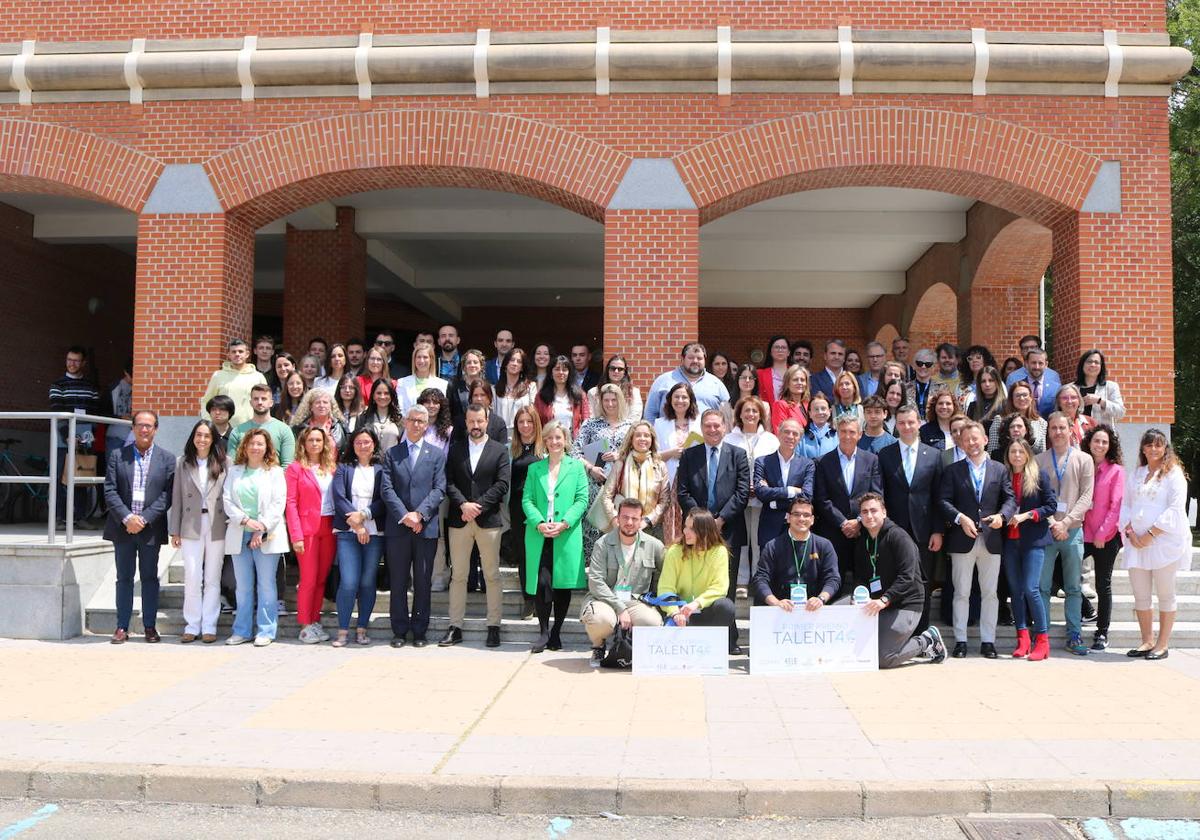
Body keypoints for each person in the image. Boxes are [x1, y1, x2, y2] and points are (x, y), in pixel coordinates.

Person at [938, 420, 1016, 659]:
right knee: (961, 592)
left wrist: (1003, 517)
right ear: (961, 443)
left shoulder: (999, 469)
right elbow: (943, 501)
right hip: (962, 539)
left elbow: (1010, 499)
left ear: (984, 440)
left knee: (990, 593)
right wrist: (961, 518)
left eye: (975, 438)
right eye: (966, 439)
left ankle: (988, 641)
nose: (971, 442)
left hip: (991, 540)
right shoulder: (952, 470)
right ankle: (960, 640)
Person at [676, 409, 751, 647]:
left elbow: (742, 493)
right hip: (694, 531)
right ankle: (698, 635)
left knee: (725, 587)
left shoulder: (738, 455)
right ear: (702, 428)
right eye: (707, 426)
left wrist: (720, 520)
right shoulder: (690, 455)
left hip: (728, 530)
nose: (712, 430)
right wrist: (702, 522)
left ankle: (729, 639)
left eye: (717, 426)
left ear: (725, 427)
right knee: (696, 584)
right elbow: (683, 491)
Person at [440, 403, 512, 648]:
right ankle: (455, 626)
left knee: (492, 575)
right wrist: (463, 505)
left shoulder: (499, 450)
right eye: (471, 422)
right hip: (459, 520)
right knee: (458, 576)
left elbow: (502, 484)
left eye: (479, 421)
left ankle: (494, 626)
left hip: (488, 520)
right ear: (466, 423)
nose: (475, 426)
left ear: (487, 419)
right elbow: (448, 482)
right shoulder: (456, 449)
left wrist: (477, 506)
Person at [103, 410, 175, 644]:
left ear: (156, 429)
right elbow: (110, 490)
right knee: (124, 577)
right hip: (122, 527)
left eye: (149, 426)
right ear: (132, 428)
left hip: (150, 528)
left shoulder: (167, 459)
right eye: (140, 425)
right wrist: (127, 518)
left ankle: (150, 627)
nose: (144, 429)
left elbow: (167, 495)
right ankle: (121, 626)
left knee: (149, 578)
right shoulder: (117, 455)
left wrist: (143, 519)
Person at [1119, 429, 1191, 660]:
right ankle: (1147, 640)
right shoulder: (1137, 473)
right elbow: (1126, 505)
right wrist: (1130, 532)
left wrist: (1151, 534)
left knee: (1165, 594)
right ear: (1143, 448)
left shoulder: (1174, 474)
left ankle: (1162, 644)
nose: (1153, 449)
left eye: (1158, 445)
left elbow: (1176, 508)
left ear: (1165, 448)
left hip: (1163, 543)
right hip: (1136, 543)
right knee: (1141, 594)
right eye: (1149, 445)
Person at [854, 493, 947, 668]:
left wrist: (884, 599)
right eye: (864, 512)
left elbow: (907, 576)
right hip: (880, 604)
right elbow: (861, 577)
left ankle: (926, 641)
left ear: (884, 512)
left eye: (873, 510)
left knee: (883, 658)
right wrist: (859, 594)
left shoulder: (898, 536)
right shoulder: (863, 541)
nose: (869, 515)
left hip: (906, 604)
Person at [381, 405, 447, 648]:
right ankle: (399, 631)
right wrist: (405, 516)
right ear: (405, 423)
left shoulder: (437, 454)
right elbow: (386, 489)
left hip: (425, 528)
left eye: (421, 421)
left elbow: (439, 489)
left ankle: (420, 631)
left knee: (422, 581)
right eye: (412, 420)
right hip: (398, 529)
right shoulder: (392, 453)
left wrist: (419, 515)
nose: (416, 425)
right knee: (398, 582)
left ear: (427, 424)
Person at [522, 420, 590, 653]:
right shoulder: (534, 469)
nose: (554, 442)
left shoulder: (576, 467)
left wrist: (564, 523)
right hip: (540, 534)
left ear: (565, 440)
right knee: (542, 584)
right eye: (549, 437)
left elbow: (582, 499)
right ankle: (543, 631)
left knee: (562, 586)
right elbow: (527, 500)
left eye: (558, 437)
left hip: (565, 534)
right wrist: (539, 523)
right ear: (545, 441)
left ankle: (557, 632)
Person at [877, 405, 944, 633]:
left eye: (911, 422)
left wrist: (937, 530)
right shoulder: (885, 455)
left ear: (919, 424)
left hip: (924, 532)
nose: (907, 427)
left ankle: (921, 633)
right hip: (893, 531)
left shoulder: (934, 456)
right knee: (893, 579)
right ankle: (894, 632)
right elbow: (881, 495)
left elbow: (938, 497)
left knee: (922, 583)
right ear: (896, 425)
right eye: (902, 422)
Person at [1034, 412, 1095, 656]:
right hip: (1046, 531)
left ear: (1070, 430)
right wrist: (1052, 522)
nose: (1058, 432)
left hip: (1073, 531)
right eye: (1053, 428)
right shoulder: (1038, 460)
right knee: (1042, 586)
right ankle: (1042, 635)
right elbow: (1035, 495)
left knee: (1073, 587)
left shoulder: (1084, 459)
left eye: (1062, 427)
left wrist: (1066, 522)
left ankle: (1074, 634)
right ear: (1048, 432)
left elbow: (1087, 496)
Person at [580, 497, 666, 667]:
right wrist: (620, 608)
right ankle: (598, 646)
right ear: (617, 518)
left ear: (641, 520)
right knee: (600, 619)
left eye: (634, 518)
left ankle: (633, 647)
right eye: (625, 517)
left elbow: (665, 577)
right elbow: (596, 581)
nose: (629, 522)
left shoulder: (654, 546)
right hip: (604, 599)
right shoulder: (602, 544)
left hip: (635, 601)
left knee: (653, 623)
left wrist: (660, 605)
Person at [222, 428, 289, 647]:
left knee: (267, 585)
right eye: (251, 443)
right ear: (245, 446)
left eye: (260, 444)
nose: (255, 447)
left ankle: (266, 630)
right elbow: (227, 501)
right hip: (240, 531)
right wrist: (245, 521)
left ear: (267, 447)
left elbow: (278, 503)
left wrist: (261, 527)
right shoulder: (234, 472)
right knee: (243, 586)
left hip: (266, 534)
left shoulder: (275, 472)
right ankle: (242, 630)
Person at [168, 420, 227, 644]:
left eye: (206, 436)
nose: (202, 439)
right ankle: (192, 624)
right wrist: (174, 530)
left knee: (212, 577)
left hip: (216, 524)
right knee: (192, 576)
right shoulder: (182, 463)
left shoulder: (224, 463)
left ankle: (209, 625)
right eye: (198, 435)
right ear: (193, 437)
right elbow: (177, 498)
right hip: (190, 525)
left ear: (213, 440)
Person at [813, 413, 883, 595]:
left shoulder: (871, 460)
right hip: (833, 532)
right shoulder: (823, 462)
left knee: (864, 582)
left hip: (864, 531)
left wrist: (859, 521)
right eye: (843, 431)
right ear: (837, 433)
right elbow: (821, 499)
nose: (847, 436)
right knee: (832, 580)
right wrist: (843, 523)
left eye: (852, 432)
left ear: (860, 434)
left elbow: (876, 494)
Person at [1001, 438, 1057, 661]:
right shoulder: (1004, 476)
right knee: (1015, 591)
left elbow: (1051, 505)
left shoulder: (1039, 475)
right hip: (1010, 542)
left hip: (1033, 540)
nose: (1016, 455)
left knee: (1031, 588)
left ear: (1027, 455)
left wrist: (1028, 515)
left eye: (1020, 452)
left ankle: (1042, 640)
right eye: (1013, 452)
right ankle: (1022, 639)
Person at [331, 427, 385, 648]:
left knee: (367, 582)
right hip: (347, 533)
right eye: (358, 442)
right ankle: (343, 630)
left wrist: (364, 516)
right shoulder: (344, 468)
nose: (363, 446)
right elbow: (338, 496)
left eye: (367, 442)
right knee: (349, 581)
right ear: (352, 445)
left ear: (374, 445)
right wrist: (356, 523)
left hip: (375, 533)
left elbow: (384, 499)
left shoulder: (382, 470)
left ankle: (362, 628)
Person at [658, 508, 739, 654]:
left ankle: (711, 648)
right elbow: (665, 587)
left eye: (691, 529)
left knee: (726, 606)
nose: (685, 532)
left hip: (706, 610)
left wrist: (697, 603)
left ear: (705, 531)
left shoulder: (719, 551)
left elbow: (720, 588)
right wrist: (674, 612)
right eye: (685, 526)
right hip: (681, 612)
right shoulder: (675, 551)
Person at [285, 427, 339, 645]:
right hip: (307, 529)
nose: (315, 444)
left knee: (321, 579)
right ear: (303, 443)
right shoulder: (295, 469)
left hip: (329, 527)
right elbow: (290, 503)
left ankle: (315, 619)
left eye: (319, 440)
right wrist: (295, 535)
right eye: (311, 440)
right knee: (308, 578)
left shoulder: (332, 468)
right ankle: (305, 624)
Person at [572, 383, 632, 558]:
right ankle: (592, 568)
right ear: (601, 402)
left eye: (614, 399)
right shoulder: (591, 424)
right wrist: (591, 468)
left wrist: (620, 455)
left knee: (618, 524)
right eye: (606, 400)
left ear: (620, 400)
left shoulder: (630, 426)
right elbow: (575, 452)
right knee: (593, 527)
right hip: (595, 484)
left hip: (621, 485)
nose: (610, 404)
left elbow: (639, 452)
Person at [724, 396, 780, 581]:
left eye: (754, 411)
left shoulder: (771, 440)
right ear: (739, 413)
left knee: (757, 541)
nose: (750, 414)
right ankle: (741, 580)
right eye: (746, 410)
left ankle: (758, 579)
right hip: (736, 498)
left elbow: (775, 468)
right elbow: (725, 469)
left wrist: (762, 486)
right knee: (741, 542)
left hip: (761, 498)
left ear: (761, 415)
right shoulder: (729, 439)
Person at [752, 495, 840, 611]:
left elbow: (833, 578)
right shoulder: (772, 546)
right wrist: (775, 602)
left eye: (806, 515)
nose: (801, 519)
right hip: (781, 609)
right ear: (788, 517)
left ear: (812, 520)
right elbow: (761, 578)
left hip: (814, 609)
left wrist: (820, 599)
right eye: (796, 514)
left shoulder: (824, 545)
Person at [1082, 424, 1124, 651]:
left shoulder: (1116, 471)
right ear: (1089, 442)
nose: (1100, 445)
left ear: (1110, 446)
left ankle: (1101, 632)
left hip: (1106, 537)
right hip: (1083, 533)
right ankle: (1086, 609)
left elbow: (1116, 506)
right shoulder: (1083, 465)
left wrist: (1102, 533)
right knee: (1059, 569)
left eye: (1104, 442)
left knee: (1103, 585)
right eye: (1096, 441)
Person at [49, 345, 101, 528]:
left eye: (76, 360)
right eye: (69, 360)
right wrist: (67, 437)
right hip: (63, 440)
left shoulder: (91, 387)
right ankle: (59, 519)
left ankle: (79, 517)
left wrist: (87, 436)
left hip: (85, 439)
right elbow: (57, 412)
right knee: (60, 479)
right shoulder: (57, 385)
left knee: (81, 478)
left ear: (83, 363)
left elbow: (94, 413)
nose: (72, 364)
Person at [599, 419, 673, 540]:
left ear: (652, 440)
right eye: (638, 435)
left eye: (647, 435)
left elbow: (665, 501)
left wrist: (647, 521)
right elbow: (606, 496)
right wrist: (615, 520)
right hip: (622, 529)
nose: (642, 439)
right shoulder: (620, 464)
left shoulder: (660, 466)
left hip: (651, 530)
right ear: (631, 440)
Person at [752, 417, 815, 545]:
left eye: (795, 434)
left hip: (797, 526)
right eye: (786, 432)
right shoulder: (762, 462)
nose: (790, 436)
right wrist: (791, 491)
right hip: (769, 528)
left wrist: (775, 503)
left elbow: (807, 496)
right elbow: (760, 492)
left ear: (800, 438)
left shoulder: (807, 464)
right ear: (778, 434)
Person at [509, 405, 546, 619]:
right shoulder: (510, 449)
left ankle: (544, 597)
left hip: (541, 509)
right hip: (517, 510)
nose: (525, 426)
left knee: (542, 555)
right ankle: (528, 599)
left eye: (529, 421)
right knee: (524, 556)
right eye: (521, 422)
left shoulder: (544, 449)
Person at [417, 387, 454, 592]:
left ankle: (439, 575)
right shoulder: (414, 427)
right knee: (417, 532)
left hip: (438, 488)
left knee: (437, 533)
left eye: (435, 402)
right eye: (427, 401)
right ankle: (419, 576)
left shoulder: (447, 431)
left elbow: (447, 460)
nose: (431, 406)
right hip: (415, 489)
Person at [643, 343, 730, 424]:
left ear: (704, 360)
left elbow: (727, 415)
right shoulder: (663, 381)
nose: (695, 361)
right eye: (691, 358)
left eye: (699, 358)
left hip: (707, 437)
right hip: (669, 436)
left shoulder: (717, 384)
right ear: (682, 359)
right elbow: (650, 413)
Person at [201, 339, 268, 426]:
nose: (237, 354)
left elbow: (266, 403)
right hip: (224, 429)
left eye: (240, 351)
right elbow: (206, 400)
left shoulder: (258, 377)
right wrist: (208, 422)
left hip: (252, 429)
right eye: (234, 352)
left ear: (247, 354)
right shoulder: (218, 376)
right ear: (229, 354)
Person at [228, 384, 297, 468]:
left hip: (274, 479)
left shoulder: (284, 430)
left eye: (264, 399)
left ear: (271, 403)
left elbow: (287, 465)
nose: (260, 402)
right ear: (251, 402)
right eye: (256, 399)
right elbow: (232, 464)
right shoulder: (238, 431)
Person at [654, 382, 702, 485]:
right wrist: (672, 453)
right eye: (676, 397)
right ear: (670, 399)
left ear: (690, 400)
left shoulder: (700, 422)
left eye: (684, 397)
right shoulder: (659, 424)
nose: (680, 400)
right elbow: (653, 457)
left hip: (695, 479)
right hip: (668, 480)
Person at [534, 354, 589, 440]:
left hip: (574, 445)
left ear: (569, 373)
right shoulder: (541, 396)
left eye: (564, 369)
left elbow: (586, 421)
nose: (561, 372)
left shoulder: (579, 395)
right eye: (557, 369)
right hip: (550, 444)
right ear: (551, 373)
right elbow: (537, 423)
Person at [987, 381, 1047, 455]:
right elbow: (992, 451)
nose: (1021, 398)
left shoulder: (1041, 423)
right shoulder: (999, 420)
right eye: (1017, 395)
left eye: (1025, 395)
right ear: (1011, 399)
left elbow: (1043, 453)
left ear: (1031, 398)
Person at [1075, 349, 1125, 428]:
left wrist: (1100, 401)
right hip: (1078, 435)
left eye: (1096, 362)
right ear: (1082, 365)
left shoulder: (1110, 387)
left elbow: (1120, 413)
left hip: (1101, 436)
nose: (1093, 365)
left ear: (1101, 367)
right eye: (1089, 362)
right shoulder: (1071, 388)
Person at [1005, 347, 1060, 417]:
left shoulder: (1056, 388)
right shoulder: (1017, 387)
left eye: (1040, 363)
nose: (1037, 367)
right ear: (1026, 364)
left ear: (1046, 365)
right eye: (1033, 363)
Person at [396, 342, 448, 413]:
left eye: (425, 357)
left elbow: (442, 411)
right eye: (419, 357)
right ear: (414, 359)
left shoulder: (442, 384)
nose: (422, 360)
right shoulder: (402, 382)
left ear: (431, 360)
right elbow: (400, 410)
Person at [355, 378, 403, 453]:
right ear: (373, 396)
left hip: (392, 463)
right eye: (379, 393)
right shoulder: (363, 418)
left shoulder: (400, 419)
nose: (382, 397)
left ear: (392, 396)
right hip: (370, 462)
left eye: (386, 393)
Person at [589, 354, 642, 421]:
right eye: (613, 368)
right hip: (599, 429)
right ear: (608, 370)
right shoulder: (593, 392)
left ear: (624, 372)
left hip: (626, 430)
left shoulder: (634, 392)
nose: (616, 371)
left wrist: (620, 429)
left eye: (620, 369)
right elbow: (591, 417)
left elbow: (635, 417)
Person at [457, 379, 509, 445]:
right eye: (475, 395)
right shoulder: (460, 422)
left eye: (482, 395)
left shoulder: (499, 423)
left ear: (489, 397)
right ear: (471, 398)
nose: (479, 399)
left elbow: (503, 449)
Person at [494, 348, 535, 432]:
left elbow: (533, 414)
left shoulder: (531, 387)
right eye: (512, 360)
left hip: (522, 434)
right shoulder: (494, 389)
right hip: (500, 435)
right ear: (506, 364)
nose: (515, 364)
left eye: (519, 361)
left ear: (522, 367)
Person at [101, 357, 134, 456]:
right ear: (125, 373)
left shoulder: (142, 388)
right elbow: (102, 413)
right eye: (131, 376)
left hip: (136, 436)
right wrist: (119, 417)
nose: (133, 380)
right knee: (113, 468)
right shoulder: (112, 389)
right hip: (115, 436)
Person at [770, 364, 810, 434]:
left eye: (802, 380)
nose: (799, 383)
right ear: (787, 384)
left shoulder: (808, 405)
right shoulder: (781, 405)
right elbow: (779, 433)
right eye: (795, 380)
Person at [797, 393, 837, 460]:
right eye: (816, 409)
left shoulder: (838, 435)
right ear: (809, 413)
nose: (820, 412)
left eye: (823, 409)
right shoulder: (800, 436)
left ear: (830, 412)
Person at [730, 363, 770, 429]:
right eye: (743, 377)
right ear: (737, 380)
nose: (747, 381)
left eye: (751, 378)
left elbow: (766, 430)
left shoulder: (764, 406)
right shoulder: (725, 406)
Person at [757, 335, 792, 403]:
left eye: (783, 347)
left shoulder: (796, 373)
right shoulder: (760, 374)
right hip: (768, 412)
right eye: (776, 347)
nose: (780, 350)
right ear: (770, 352)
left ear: (788, 352)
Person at [905, 349, 938, 417]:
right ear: (914, 365)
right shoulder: (905, 388)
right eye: (919, 363)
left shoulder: (941, 388)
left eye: (928, 364)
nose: (923, 367)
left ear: (933, 367)